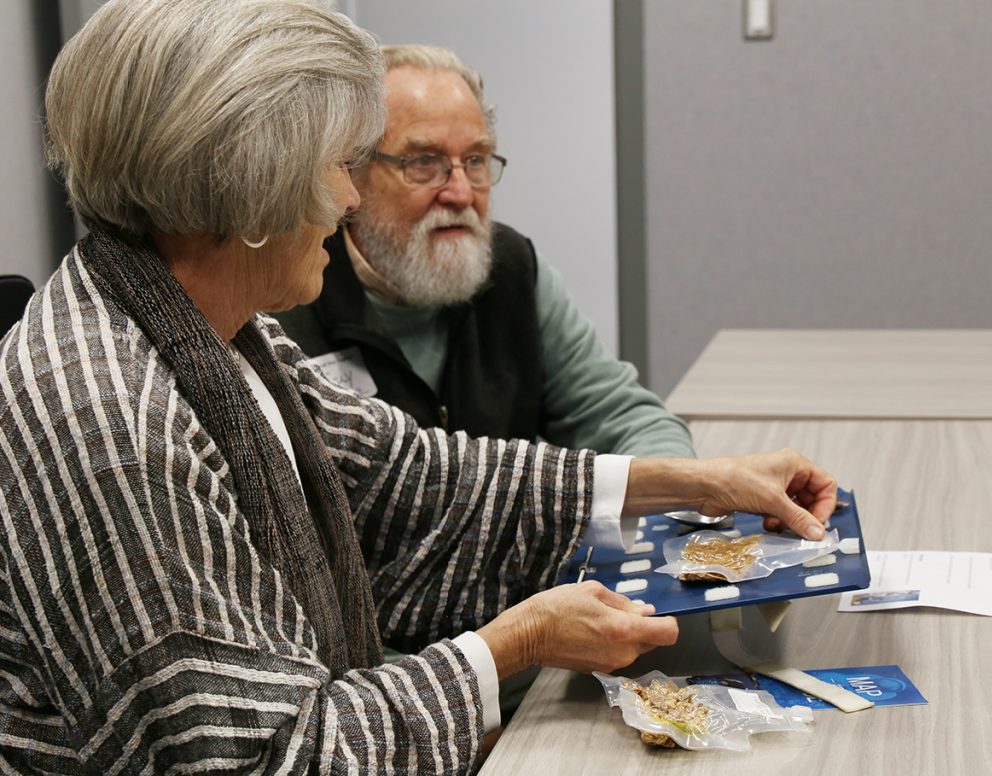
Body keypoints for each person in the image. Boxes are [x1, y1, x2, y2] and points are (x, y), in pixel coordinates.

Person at [0, 1, 837, 772]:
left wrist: (698, 483)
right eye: (335, 166)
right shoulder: (113, 424)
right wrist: (514, 645)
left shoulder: (216, 330)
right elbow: (261, 758)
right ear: (247, 182)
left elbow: (408, 477)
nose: (345, 198)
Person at [275, 44, 696, 459]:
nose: (460, 193)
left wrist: (680, 482)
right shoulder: (292, 289)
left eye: (475, 160)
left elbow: (627, 418)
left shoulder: (511, 268)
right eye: (423, 162)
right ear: (354, 171)